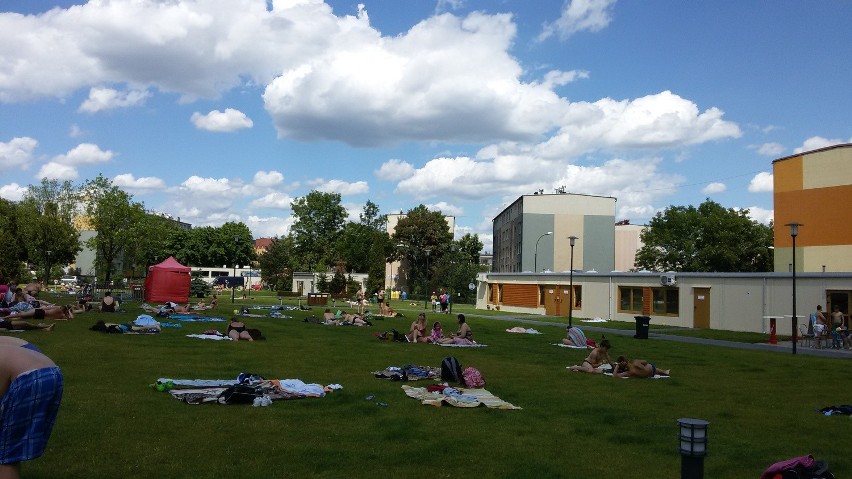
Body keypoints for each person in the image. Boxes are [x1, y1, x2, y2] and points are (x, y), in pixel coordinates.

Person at [0, 344, 63, 478]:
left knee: (6, 456)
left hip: (28, 377)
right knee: (9, 447)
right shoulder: (6, 342)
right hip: (52, 371)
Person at [3, 305, 72, 321]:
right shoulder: (62, 314)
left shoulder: (60, 311)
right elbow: (71, 318)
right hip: (41, 314)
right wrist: (68, 311)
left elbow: (46, 308)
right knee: (22, 316)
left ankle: (5, 318)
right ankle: (5, 317)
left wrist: (68, 311)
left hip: (41, 313)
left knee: (22, 316)